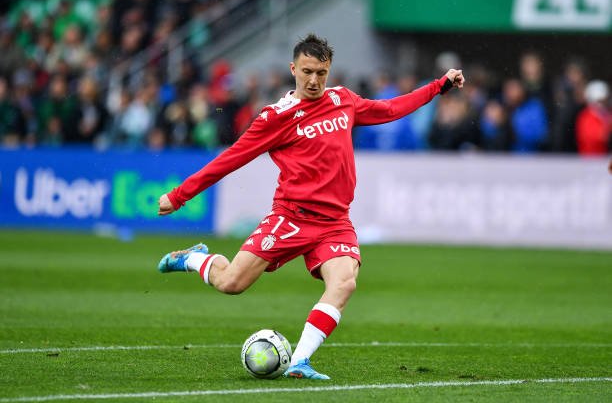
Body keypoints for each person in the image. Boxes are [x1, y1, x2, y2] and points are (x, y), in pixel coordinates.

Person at [156, 34, 465, 380]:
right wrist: (179, 196)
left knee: (344, 283)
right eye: (307, 72)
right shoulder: (275, 117)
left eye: (321, 72)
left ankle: (299, 361)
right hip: (291, 218)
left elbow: (390, 109)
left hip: (335, 222)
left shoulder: (343, 100)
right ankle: (193, 259)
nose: (314, 80)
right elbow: (230, 159)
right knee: (231, 283)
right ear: (293, 69)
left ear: (328, 70)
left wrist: (439, 86)